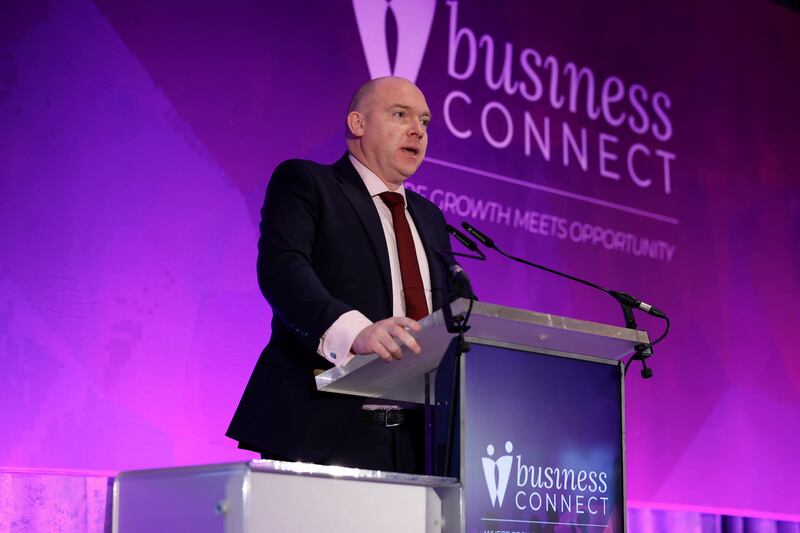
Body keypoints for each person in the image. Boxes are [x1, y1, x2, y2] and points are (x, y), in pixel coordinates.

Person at [226, 76, 464, 474]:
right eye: (400, 115)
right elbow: (283, 268)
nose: (417, 131)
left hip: (417, 444)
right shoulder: (308, 183)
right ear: (357, 123)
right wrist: (356, 332)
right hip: (321, 428)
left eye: (425, 122)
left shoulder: (429, 217)